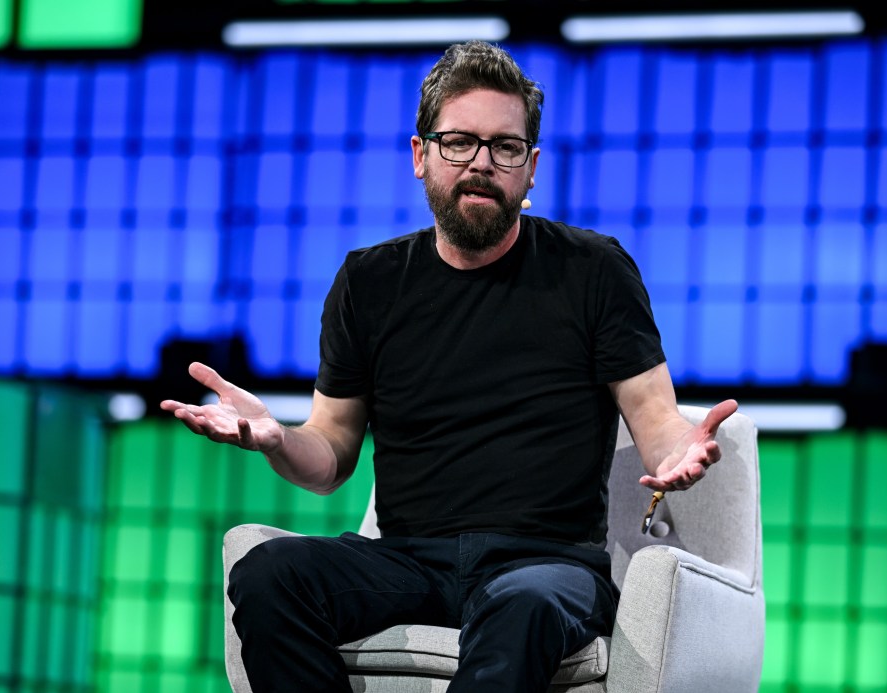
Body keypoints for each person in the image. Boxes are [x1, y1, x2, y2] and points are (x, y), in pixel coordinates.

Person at [161, 39, 738, 692]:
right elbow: (329, 456)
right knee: (268, 572)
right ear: (421, 154)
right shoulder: (368, 281)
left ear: (531, 167)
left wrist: (675, 451)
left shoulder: (594, 269)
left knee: (521, 606)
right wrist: (278, 439)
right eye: (459, 141)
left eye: (505, 147)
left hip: (544, 565)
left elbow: (655, 416)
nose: (482, 163)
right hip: (408, 559)